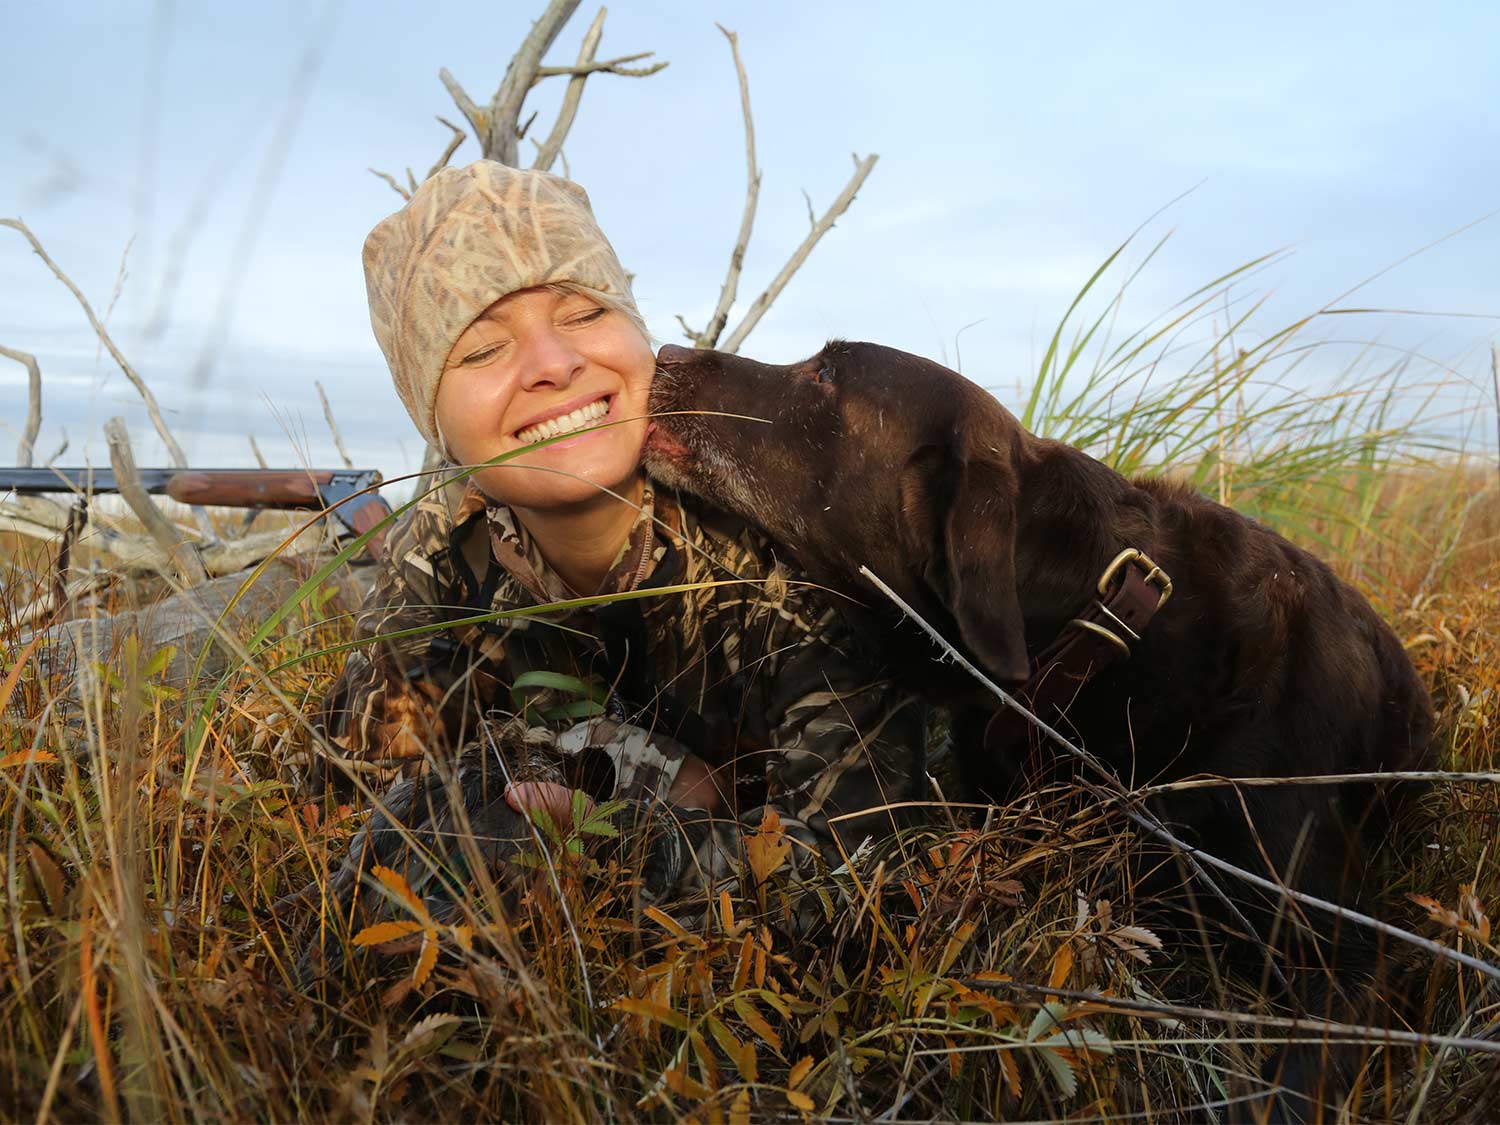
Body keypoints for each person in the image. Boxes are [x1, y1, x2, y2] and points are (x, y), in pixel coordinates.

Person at [314, 160, 928, 906]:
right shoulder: (441, 551)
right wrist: (612, 757)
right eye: (481, 349)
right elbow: (355, 795)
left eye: (584, 314)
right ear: (434, 422)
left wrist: (629, 844)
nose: (555, 363)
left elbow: (872, 871)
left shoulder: (777, 545)